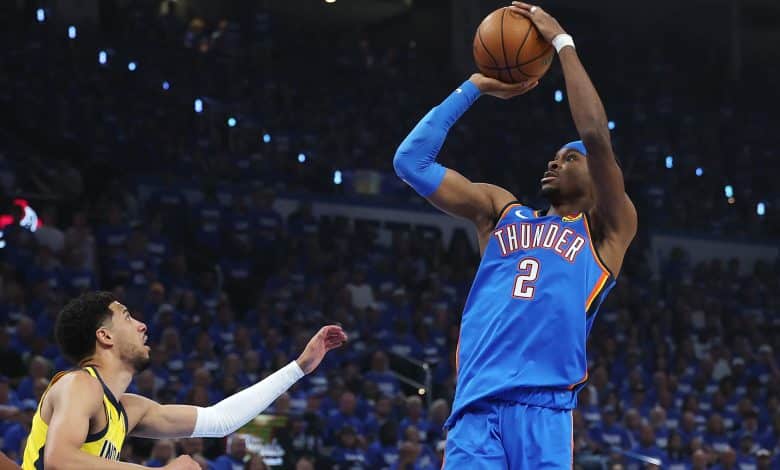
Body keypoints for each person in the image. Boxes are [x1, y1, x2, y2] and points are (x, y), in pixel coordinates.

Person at [392, 2, 637, 468]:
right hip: (476, 409)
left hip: (544, 411)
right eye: (554, 156)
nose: (555, 162)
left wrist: (561, 42)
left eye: (569, 158)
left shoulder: (605, 232)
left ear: (601, 177)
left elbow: (596, 136)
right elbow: (410, 162)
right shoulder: (500, 212)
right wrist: (475, 87)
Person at [21, 291, 347, 469]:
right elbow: (59, 460)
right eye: (127, 316)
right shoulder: (79, 385)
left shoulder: (128, 409)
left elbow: (219, 420)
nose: (142, 325)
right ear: (104, 336)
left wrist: (299, 368)